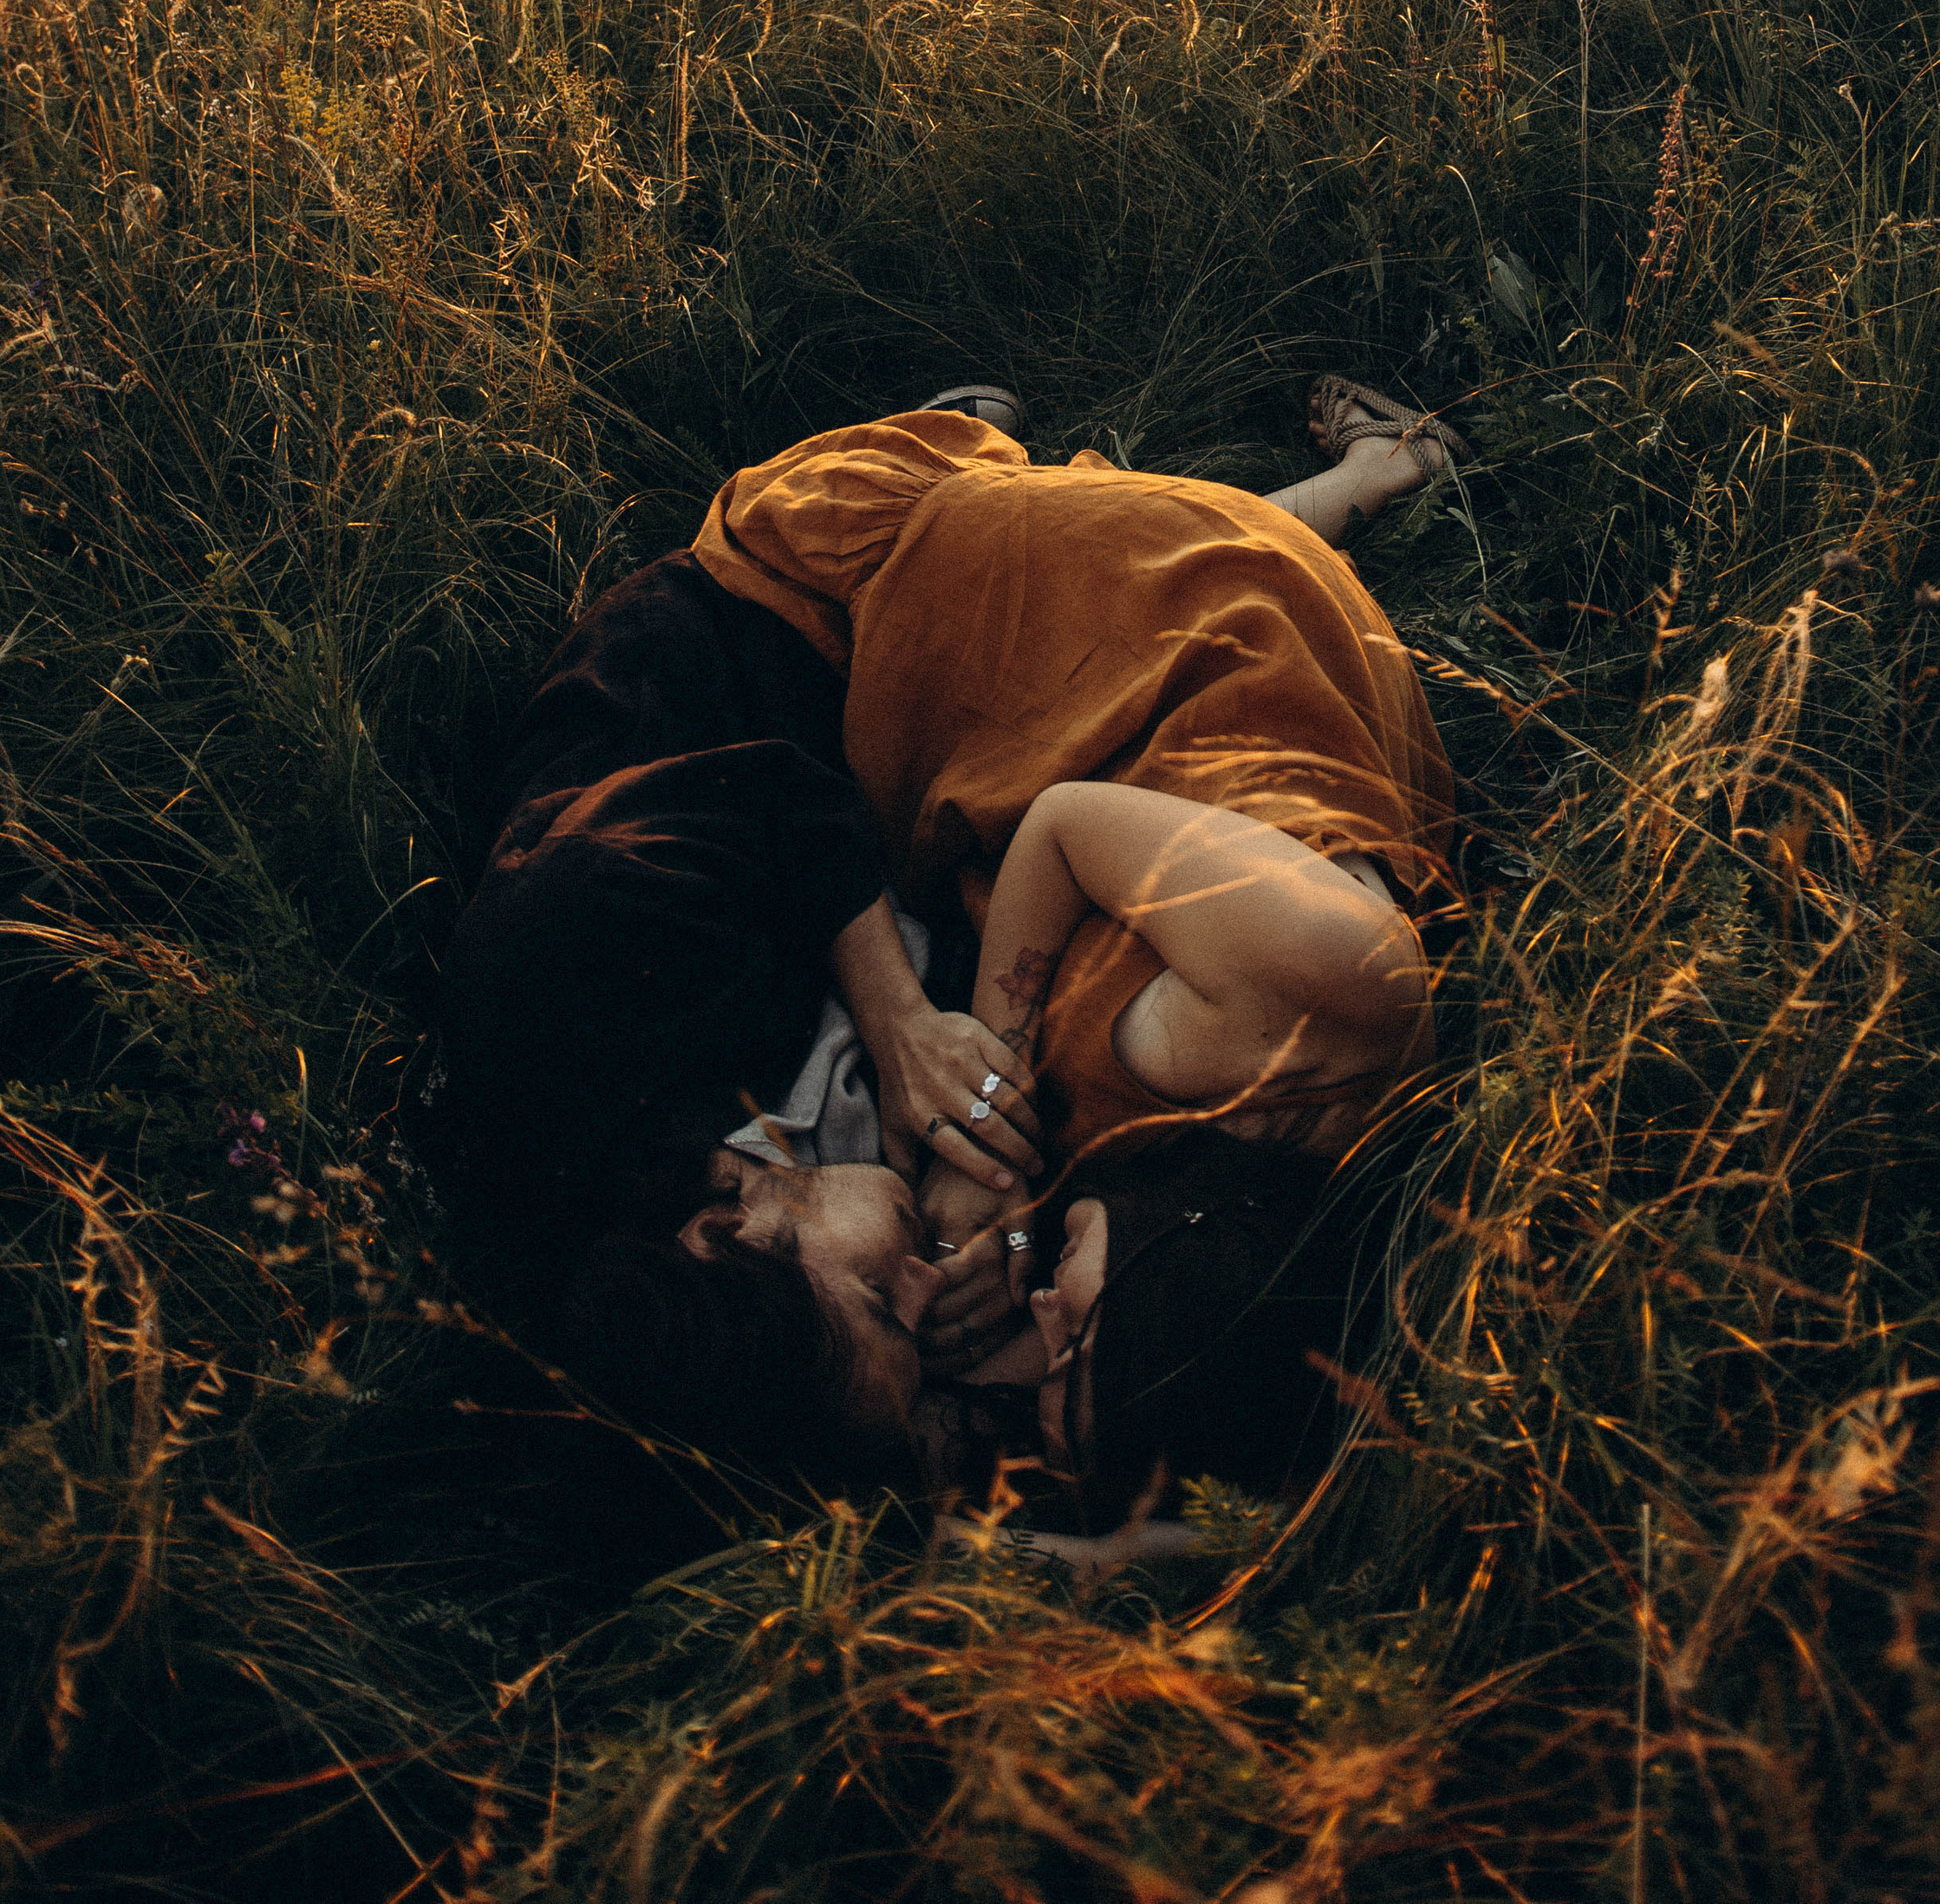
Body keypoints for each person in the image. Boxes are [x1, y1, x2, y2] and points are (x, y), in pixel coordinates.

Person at [420, 372, 1464, 1498]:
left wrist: (912, 1033)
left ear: (720, 1228)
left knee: (1042, 614)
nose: (926, 1300)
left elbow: (780, 797)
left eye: (885, 1304)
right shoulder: (729, 1321)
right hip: (1038, 758)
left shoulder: (560, 970)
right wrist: (990, 1169)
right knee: (1091, 655)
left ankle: (965, 450)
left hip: (760, 666)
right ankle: (984, 451)